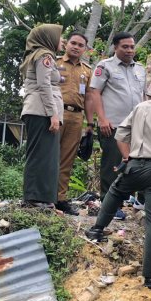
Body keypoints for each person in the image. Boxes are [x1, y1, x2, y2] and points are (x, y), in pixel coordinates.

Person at [85, 73, 151, 289]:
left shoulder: (141, 107)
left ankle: (96, 230)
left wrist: (127, 156)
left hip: (135, 166)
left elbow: (120, 134)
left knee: (115, 192)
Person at [86, 32, 146, 195]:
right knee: (112, 164)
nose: (129, 50)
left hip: (137, 126)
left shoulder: (140, 69)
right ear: (115, 47)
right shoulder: (104, 66)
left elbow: (144, 96)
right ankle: (109, 202)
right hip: (113, 125)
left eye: (132, 47)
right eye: (125, 47)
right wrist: (102, 119)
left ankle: (131, 200)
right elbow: (95, 93)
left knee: (136, 163)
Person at [20, 23, 64, 209]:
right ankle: (34, 197)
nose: (62, 41)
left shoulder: (39, 55)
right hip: (41, 111)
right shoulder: (44, 56)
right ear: (49, 38)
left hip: (39, 110)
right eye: (60, 37)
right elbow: (44, 85)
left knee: (45, 155)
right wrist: (53, 114)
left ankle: (41, 197)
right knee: (41, 155)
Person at [56, 32, 93, 214]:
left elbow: (89, 99)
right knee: (49, 156)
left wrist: (90, 124)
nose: (76, 47)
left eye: (80, 45)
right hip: (56, 114)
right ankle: (43, 196)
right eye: (73, 43)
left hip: (77, 117)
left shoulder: (87, 70)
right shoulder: (55, 63)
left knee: (67, 159)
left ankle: (60, 198)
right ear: (66, 44)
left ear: (85, 49)